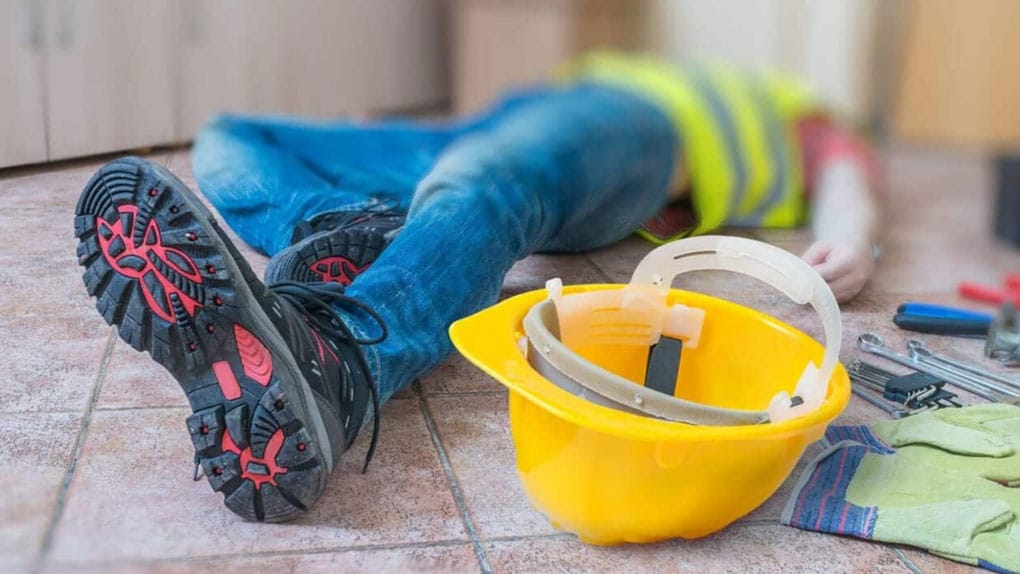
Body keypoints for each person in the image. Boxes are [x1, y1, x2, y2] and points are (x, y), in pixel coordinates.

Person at [72, 53, 880, 522]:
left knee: (484, 180)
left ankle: (343, 358)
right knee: (234, 138)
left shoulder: (777, 107)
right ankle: (346, 234)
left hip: (633, 132)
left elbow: (846, 166)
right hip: (497, 123)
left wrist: (856, 233)